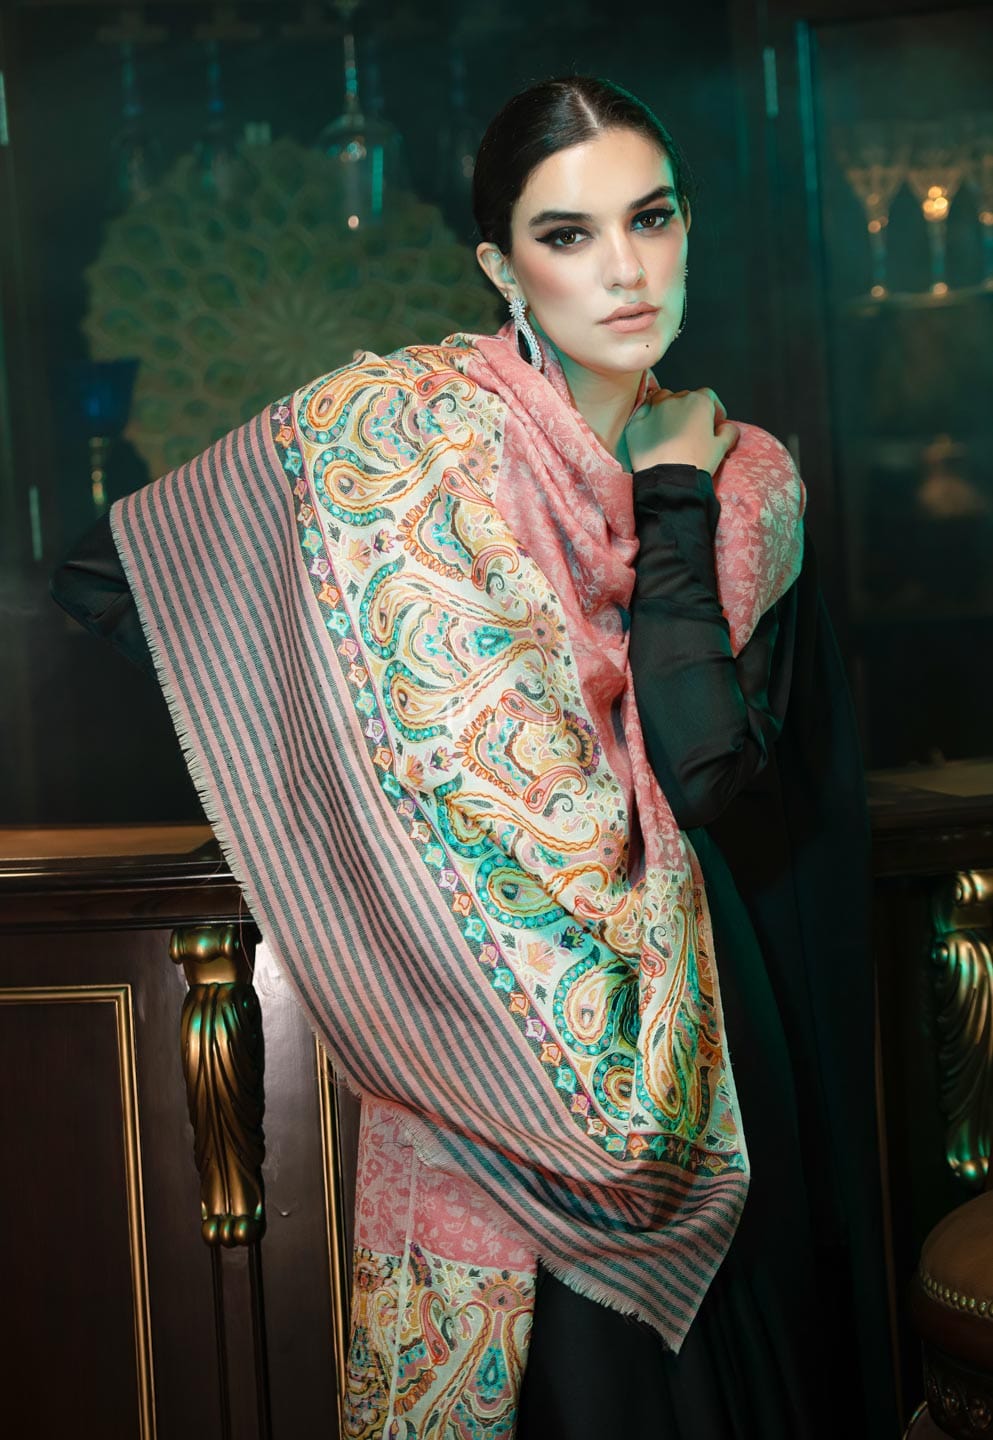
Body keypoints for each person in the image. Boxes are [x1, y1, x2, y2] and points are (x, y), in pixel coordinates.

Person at [52, 76, 897, 1439]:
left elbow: (696, 773)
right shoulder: (403, 431)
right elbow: (115, 577)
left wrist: (672, 492)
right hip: (463, 1014)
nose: (623, 269)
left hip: (679, 1030)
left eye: (651, 219)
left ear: (688, 229)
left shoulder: (744, 474)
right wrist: (360, 790)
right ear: (501, 267)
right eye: (568, 234)